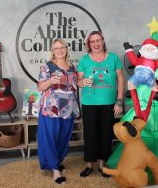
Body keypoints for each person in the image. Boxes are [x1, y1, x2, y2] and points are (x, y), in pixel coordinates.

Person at [77, 31, 124, 178]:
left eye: (98, 40)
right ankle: (89, 165)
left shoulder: (114, 58)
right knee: (90, 134)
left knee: (105, 134)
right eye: (92, 42)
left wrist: (119, 101)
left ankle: (103, 166)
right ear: (89, 44)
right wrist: (82, 82)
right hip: (89, 103)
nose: (96, 44)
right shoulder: (84, 60)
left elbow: (121, 80)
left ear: (103, 41)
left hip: (109, 103)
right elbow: (78, 82)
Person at [37, 39, 80, 184]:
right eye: (56, 48)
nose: (60, 50)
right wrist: (50, 82)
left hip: (68, 109)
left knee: (63, 138)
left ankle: (57, 161)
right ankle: (55, 170)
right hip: (51, 109)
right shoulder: (47, 66)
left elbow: (74, 86)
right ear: (53, 51)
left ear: (66, 49)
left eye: (62, 47)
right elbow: (40, 87)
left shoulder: (72, 67)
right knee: (51, 138)